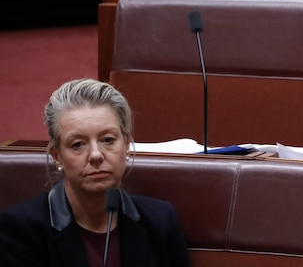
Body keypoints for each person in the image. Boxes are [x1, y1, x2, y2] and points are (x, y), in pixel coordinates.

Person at [0, 78, 191, 267]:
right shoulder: (20, 230)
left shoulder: (160, 221)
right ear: (57, 156)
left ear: (125, 145)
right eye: (78, 144)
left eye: (107, 140)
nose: (96, 155)